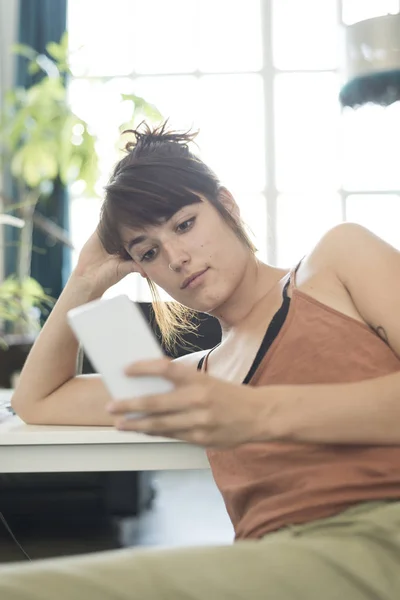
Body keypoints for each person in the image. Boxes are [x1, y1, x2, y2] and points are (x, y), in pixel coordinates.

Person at [1, 121, 400, 599]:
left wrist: (252, 413)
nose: (175, 257)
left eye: (185, 225)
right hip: (267, 564)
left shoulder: (336, 262)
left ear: (227, 207)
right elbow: (39, 400)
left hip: (377, 534)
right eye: (148, 252)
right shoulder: (200, 378)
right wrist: (84, 280)